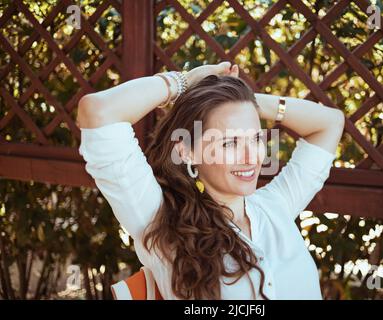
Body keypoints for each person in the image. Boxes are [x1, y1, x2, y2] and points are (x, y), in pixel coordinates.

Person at [77, 61, 345, 299]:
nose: (251, 157)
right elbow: (98, 112)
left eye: (255, 138)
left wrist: (247, 102)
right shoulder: (160, 219)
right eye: (230, 143)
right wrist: (182, 83)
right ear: (187, 151)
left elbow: (330, 123)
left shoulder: (276, 206)